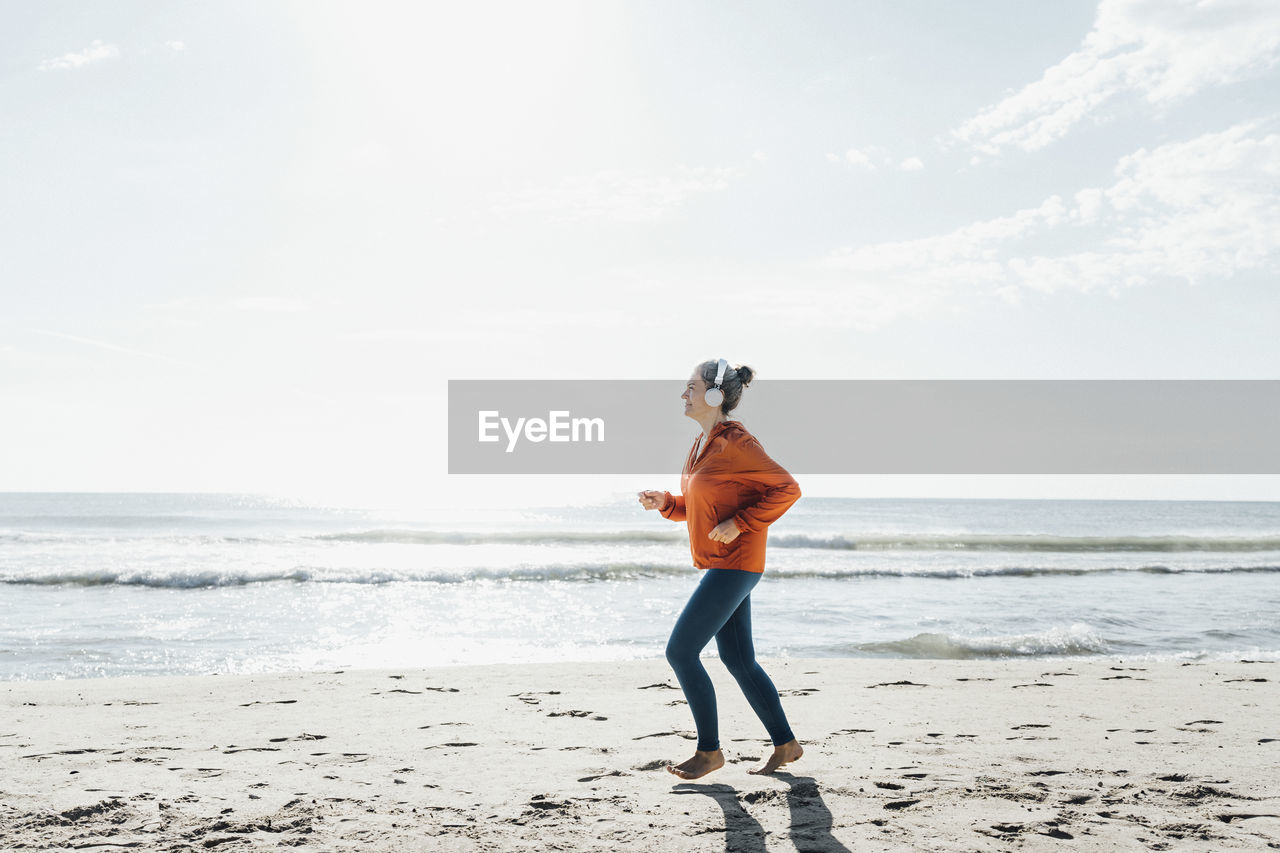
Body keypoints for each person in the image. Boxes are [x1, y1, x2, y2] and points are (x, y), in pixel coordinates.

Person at [638, 359, 804, 780]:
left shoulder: (736, 442)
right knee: (738, 659)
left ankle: (709, 752)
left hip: (736, 564)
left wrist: (743, 523)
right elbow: (703, 505)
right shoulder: (703, 444)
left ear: (714, 395)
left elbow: (787, 487)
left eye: (690, 387)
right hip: (725, 563)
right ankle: (786, 744)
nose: (683, 394)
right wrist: (668, 504)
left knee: (680, 651)